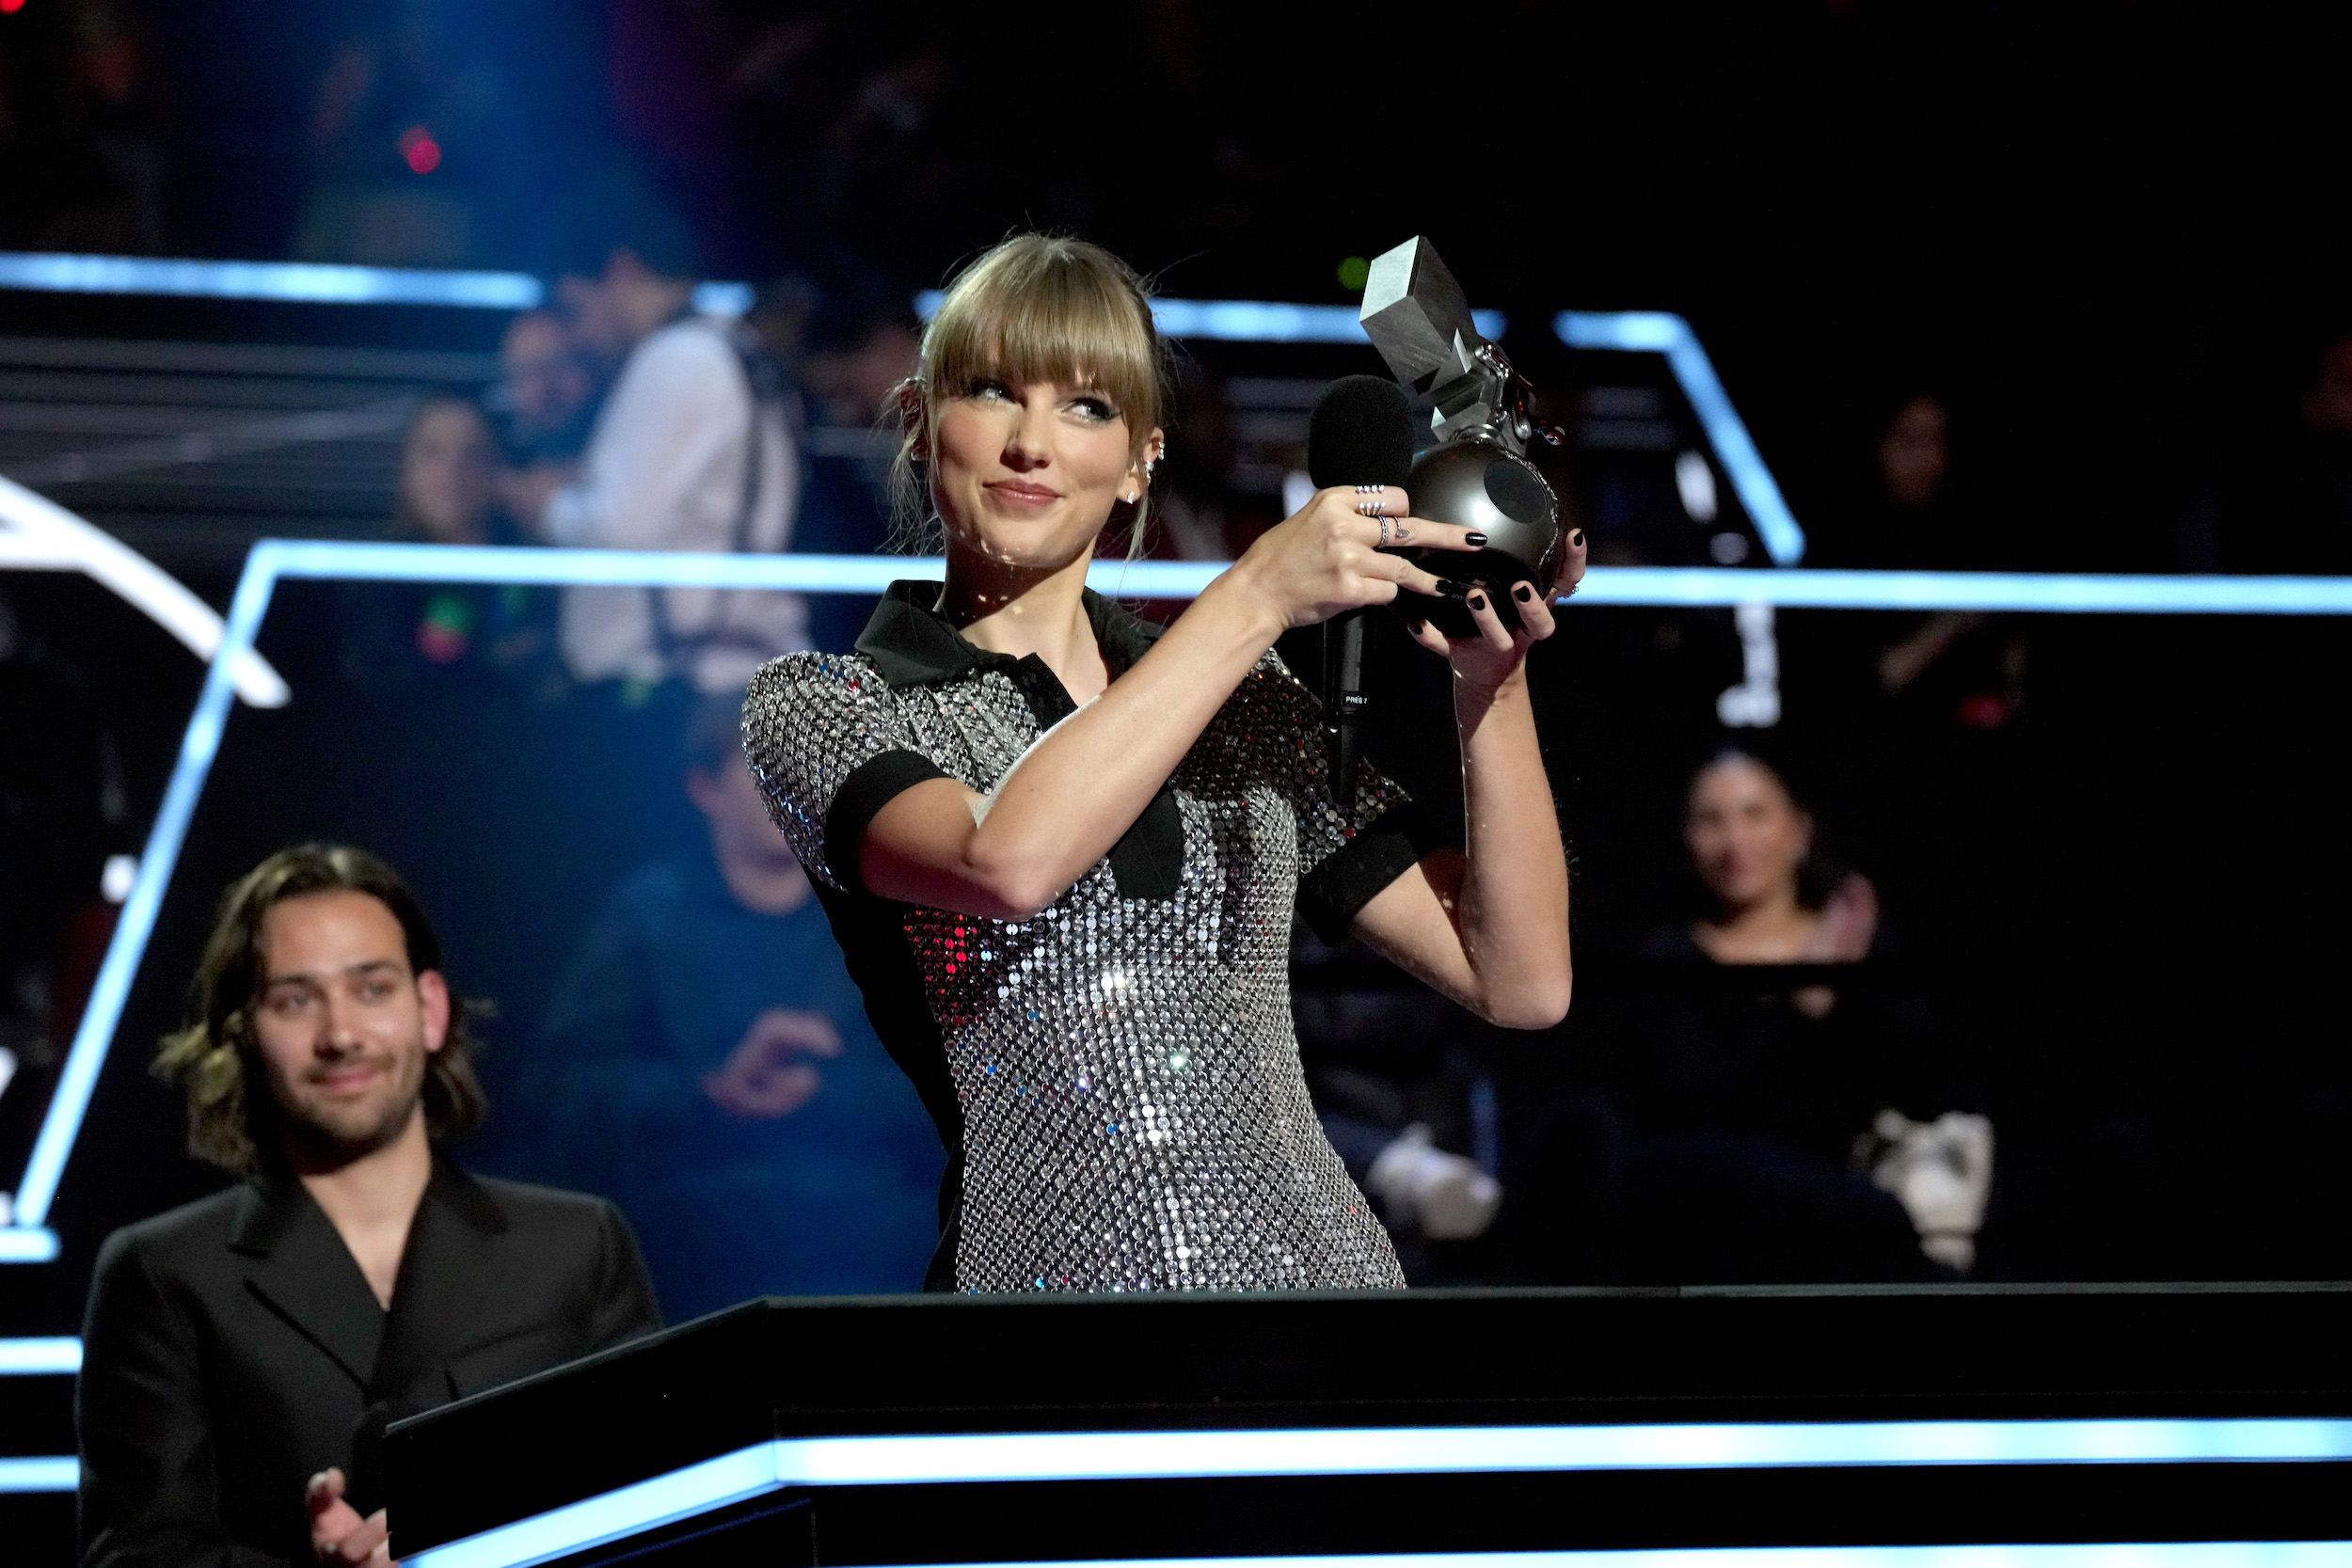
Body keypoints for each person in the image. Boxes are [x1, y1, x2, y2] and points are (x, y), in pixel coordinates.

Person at [743, 234, 1581, 1293]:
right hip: (1049, 1322)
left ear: (1142, 457)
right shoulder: (827, 703)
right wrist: (1255, 593)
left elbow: (1519, 980)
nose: (1031, 445)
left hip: (1319, 1306)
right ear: (919, 423)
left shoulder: (1243, 702)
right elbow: (1004, 862)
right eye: (994, 391)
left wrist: (1488, 685)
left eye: (1086, 406)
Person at [77, 845, 660, 1568]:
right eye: (295, 998)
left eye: (372, 988)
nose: (341, 1034)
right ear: (245, 1034)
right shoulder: (164, 1274)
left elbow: (658, 1516)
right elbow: (138, 1557)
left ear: (432, 1009)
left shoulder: (577, 1244)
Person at [525, 696, 944, 1315]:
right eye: (767, 771)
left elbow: (956, 1089)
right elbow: (557, 1093)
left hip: (870, 1230)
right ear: (705, 787)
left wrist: (825, 1091)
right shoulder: (647, 914)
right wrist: (711, 1090)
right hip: (695, 1231)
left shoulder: (881, 913)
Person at [1595, 749, 1991, 1278]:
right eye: (1711, 820)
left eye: (1754, 813)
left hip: (1851, 1197)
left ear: (1799, 830)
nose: (1734, 841)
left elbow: (1929, 1077)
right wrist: (1798, 1005)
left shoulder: (1855, 944)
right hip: (1717, 1212)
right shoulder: (1666, 960)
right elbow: (1691, 1106)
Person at [506, 181, 804, 695]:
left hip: (676, 682)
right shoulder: (726, 349)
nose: (579, 335)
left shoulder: (676, 358)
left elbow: (618, 529)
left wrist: (542, 502)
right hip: (710, 669)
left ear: (621, 272)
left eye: (577, 309)